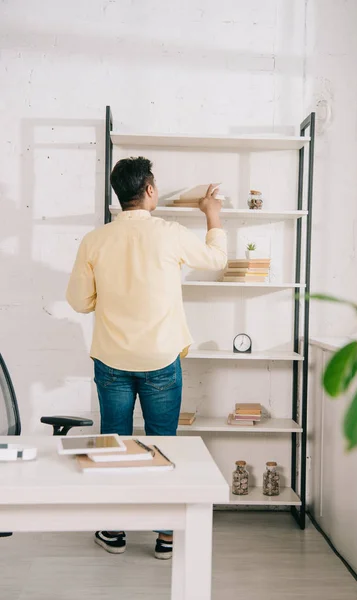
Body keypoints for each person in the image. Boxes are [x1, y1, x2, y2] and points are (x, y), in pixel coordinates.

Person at [66, 156, 227, 559]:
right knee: (163, 443)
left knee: (113, 443)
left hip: (112, 360)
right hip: (160, 359)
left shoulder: (95, 239)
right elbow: (217, 261)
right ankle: (165, 535)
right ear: (150, 190)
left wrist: (111, 297)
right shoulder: (170, 234)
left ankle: (114, 530)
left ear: (120, 196)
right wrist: (213, 215)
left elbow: (78, 301)